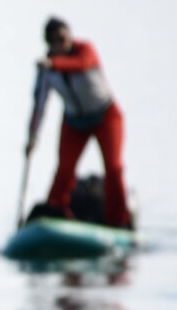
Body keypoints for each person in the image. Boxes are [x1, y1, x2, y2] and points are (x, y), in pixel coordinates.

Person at [24, 16, 132, 228]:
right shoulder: (46, 71)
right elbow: (39, 105)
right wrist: (32, 138)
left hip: (105, 115)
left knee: (113, 167)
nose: (65, 43)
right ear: (50, 43)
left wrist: (52, 63)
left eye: (66, 37)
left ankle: (118, 219)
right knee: (64, 169)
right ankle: (56, 211)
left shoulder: (85, 50)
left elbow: (80, 65)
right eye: (58, 40)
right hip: (74, 121)